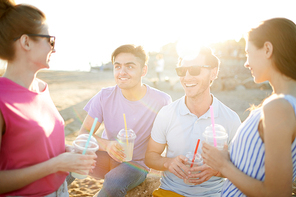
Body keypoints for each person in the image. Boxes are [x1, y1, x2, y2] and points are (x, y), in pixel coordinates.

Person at [0, 1, 97, 196]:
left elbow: (35, 145)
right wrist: (57, 164)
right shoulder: (2, 100)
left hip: (60, 190)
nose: (54, 49)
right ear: (26, 42)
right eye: (50, 41)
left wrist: (66, 151)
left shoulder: (43, 88)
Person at [202, 17, 296, 197]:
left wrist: (223, 165)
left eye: (248, 53)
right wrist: (223, 164)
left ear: (267, 49)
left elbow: (277, 193)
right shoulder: (285, 103)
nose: (246, 63)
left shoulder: (278, 107)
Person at [73, 44, 172, 197]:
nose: (122, 72)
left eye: (130, 67)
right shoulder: (104, 96)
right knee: (67, 156)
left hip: (137, 164)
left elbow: (170, 140)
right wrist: (108, 145)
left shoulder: (162, 101)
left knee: (113, 181)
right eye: (117, 66)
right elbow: (84, 133)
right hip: (106, 157)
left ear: (143, 70)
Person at [145, 46, 241, 196]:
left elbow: (240, 168)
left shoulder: (231, 119)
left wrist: (217, 170)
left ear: (213, 73)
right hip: (170, 192)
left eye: (195, 70)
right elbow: (150, 156)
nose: (187, 77)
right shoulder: (167, 113)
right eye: (182, 71)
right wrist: (168, 163)